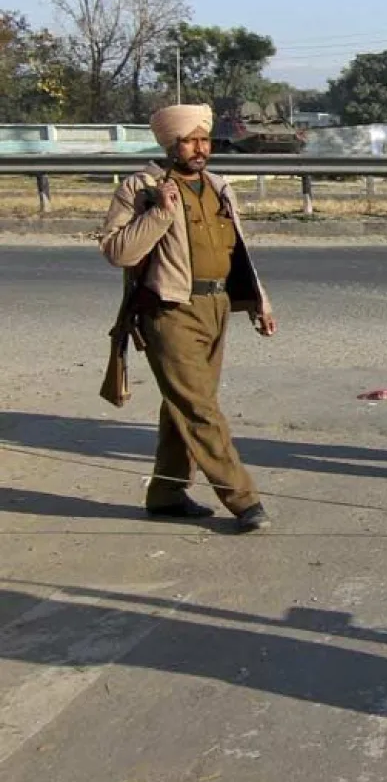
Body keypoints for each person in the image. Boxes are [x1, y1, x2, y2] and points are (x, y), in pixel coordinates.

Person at [98, 103, 275, 532]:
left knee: (183, 404)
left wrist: (259, 302)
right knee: (199, 408)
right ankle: (243, 499)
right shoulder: (141, 187)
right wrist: (159, 212)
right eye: (190, 140)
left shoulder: (218, 185)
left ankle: (166, 494)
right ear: (169, 143)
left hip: (215, 308)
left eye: (204, 140)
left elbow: (238, 251)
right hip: (169, 310)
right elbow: (116, 251)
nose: (200, 149)